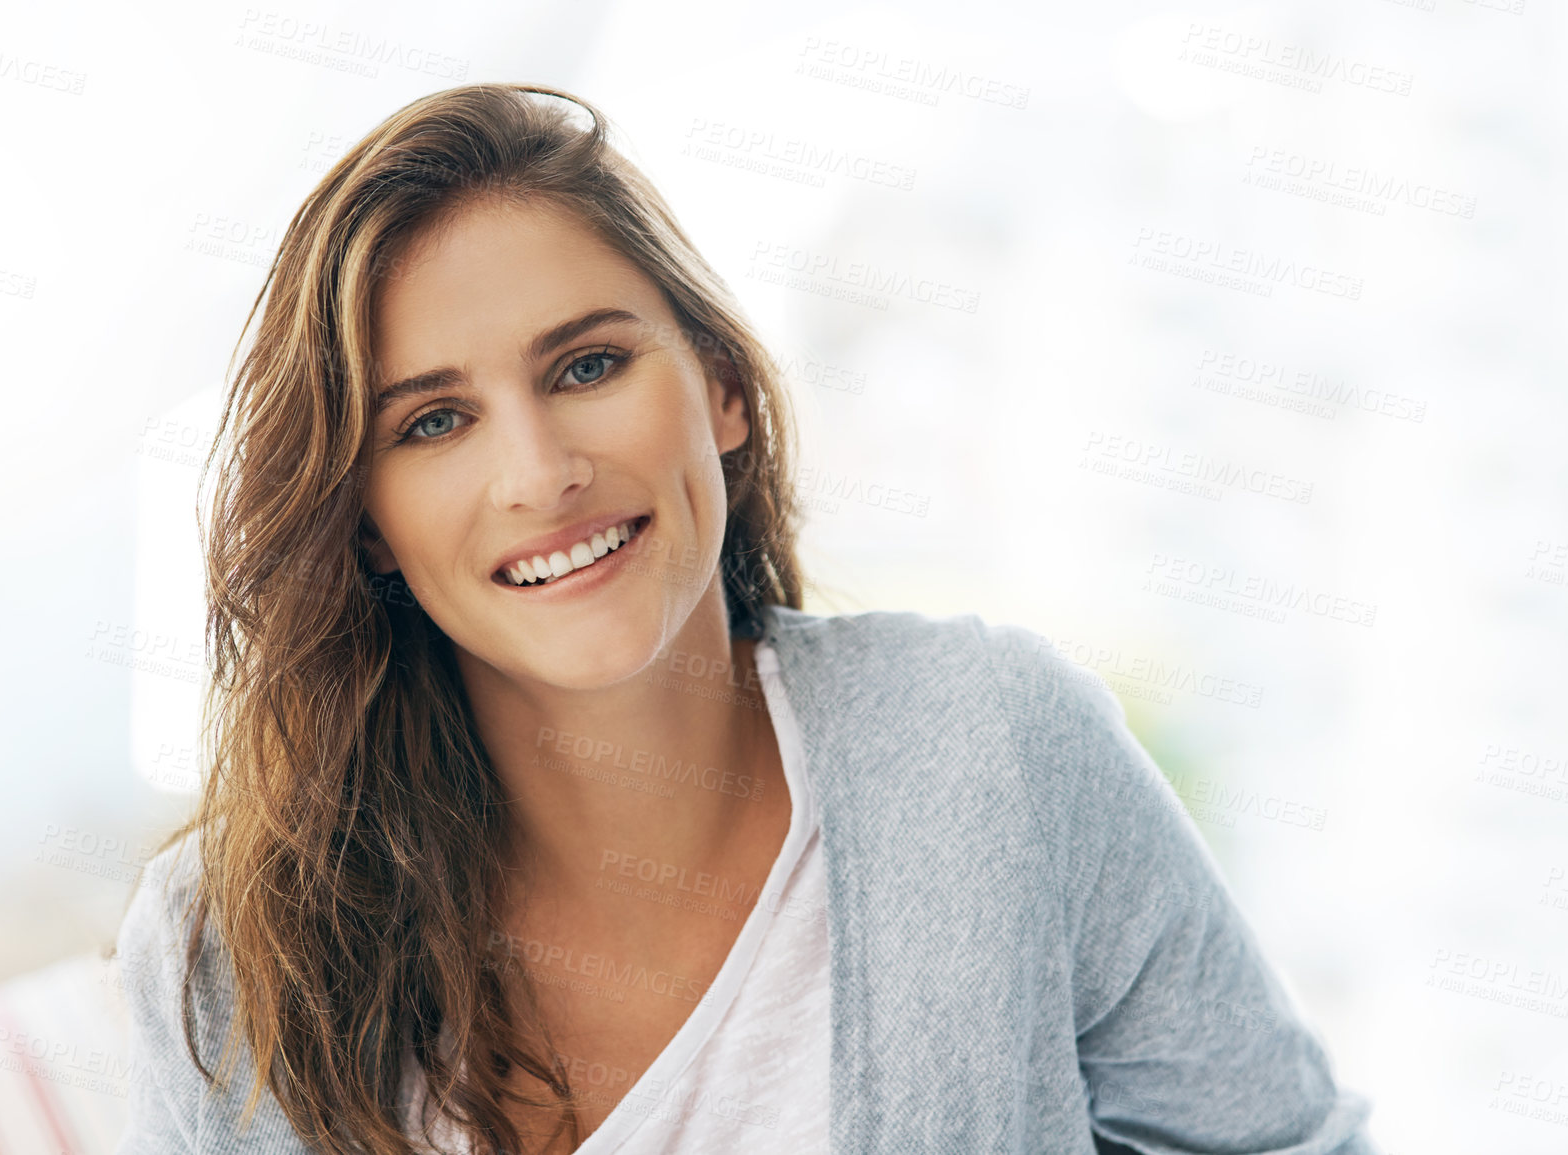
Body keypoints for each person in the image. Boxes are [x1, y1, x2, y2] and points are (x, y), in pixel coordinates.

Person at [112, 83, 1378, 1155]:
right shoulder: (224, 950)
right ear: (369, 521)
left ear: (721, 388)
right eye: (434, 422)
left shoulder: (988, 750)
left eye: (588, 366)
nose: (540, 471)